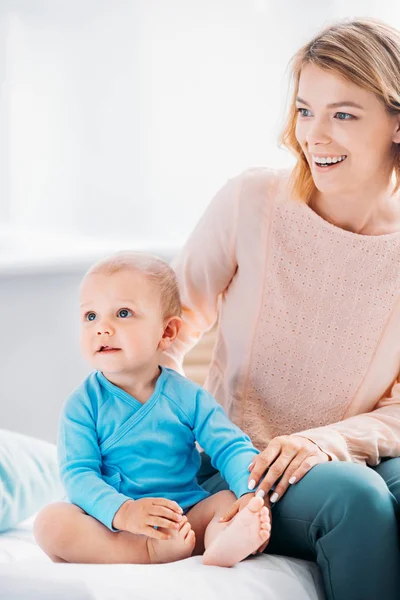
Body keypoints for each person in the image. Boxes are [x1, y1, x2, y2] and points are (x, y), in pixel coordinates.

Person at [160, 17, 400, 600]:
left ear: (396, 121)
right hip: (239, 459)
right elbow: (162, 333)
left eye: (343, 113)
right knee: (356, 501)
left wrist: (323, 443)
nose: (314, 135)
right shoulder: (253, 201)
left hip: (349, 450)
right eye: (304, 110)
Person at [33, 251, 271, 567]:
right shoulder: (82, 405)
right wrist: (124, 512)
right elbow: (79, 474)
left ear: (167, 332)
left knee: (225, 502)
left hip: (183, 521)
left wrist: (247, 496)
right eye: (91, 316)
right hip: (113, 525)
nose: (102, 328)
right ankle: (139, 553)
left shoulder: (188, 397)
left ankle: (222, 543)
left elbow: (230, 446)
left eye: (123, 313)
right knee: (51, 522)